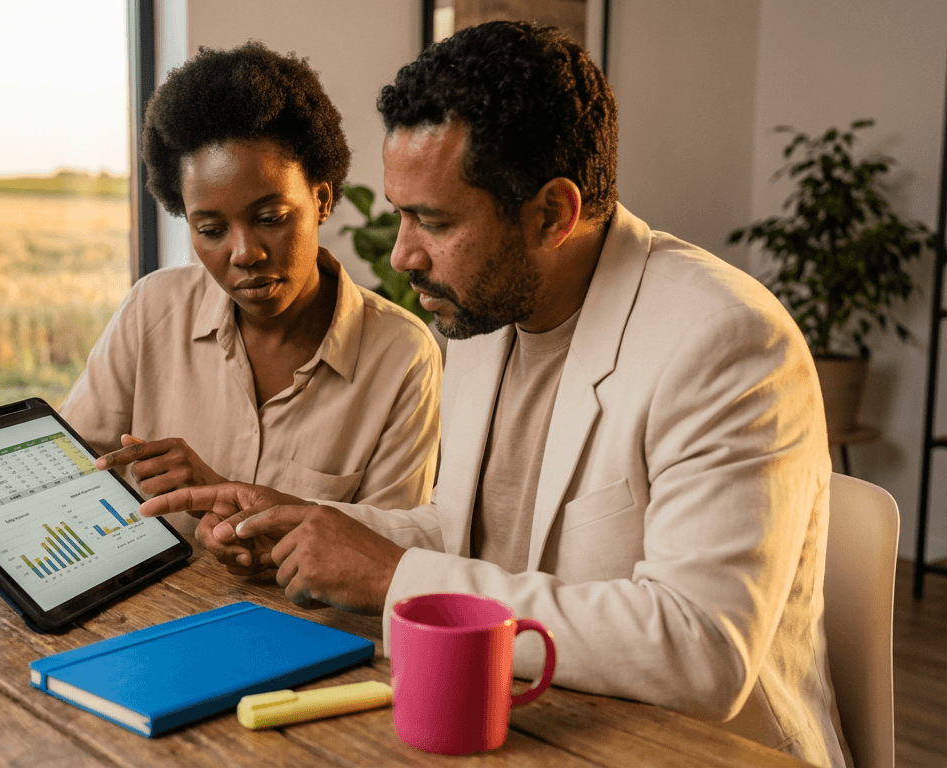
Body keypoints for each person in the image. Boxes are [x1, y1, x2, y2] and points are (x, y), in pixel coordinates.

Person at [141, 22, 844, 768]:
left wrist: (388, 575)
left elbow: (701, 651)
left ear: (552, 214)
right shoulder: (482, 316)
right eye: (402, 212)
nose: (403, 253)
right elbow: (465, 536)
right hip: (527, 724)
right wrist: (305, 526)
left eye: (433, 221)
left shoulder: (724, 341)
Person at [60, 41, 441, 536]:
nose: (244, 253)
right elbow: (70, 471)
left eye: (271, 218)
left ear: (321, 200)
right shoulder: (152, 309)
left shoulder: (401, 356)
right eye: (211, 230)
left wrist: (227, 503)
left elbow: (384, 554)